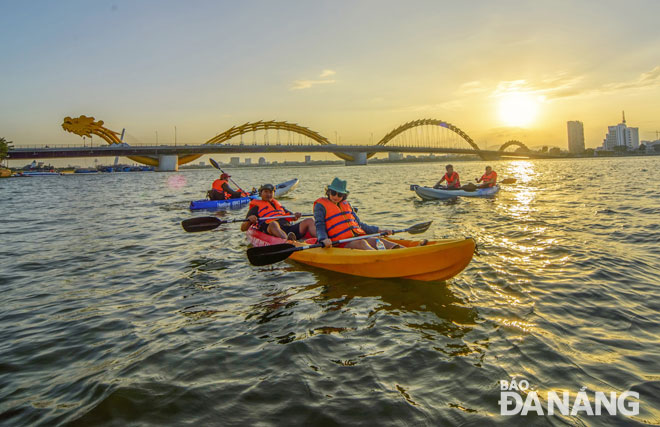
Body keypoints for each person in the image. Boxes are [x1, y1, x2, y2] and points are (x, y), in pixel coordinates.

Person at [314, 178, 403, 250]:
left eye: (340, 195)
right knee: (361, 243)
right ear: (328, 192)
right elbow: (319, 225)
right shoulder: (320, 206)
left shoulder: (346, 205)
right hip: (341, 242)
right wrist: (323, 239)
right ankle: (382, 259)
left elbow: (359, 225)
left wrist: (379, 230)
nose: (336, 197)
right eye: (333, 193)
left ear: (343, 196)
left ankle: (405, 252)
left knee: (378, 240)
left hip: (358, 236)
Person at [241, 183, 316, 241]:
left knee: (309, 221)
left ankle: (322, 239)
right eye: (266, 192)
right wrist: (249, 220)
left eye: (271, 192)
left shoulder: (278, 205)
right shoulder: (255, 207)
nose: (269, 194)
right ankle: (288, 241)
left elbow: (291, 216)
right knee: (274, 224)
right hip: (272, 230)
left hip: (288, 229)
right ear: (261, 193)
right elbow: (243, 228)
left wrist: (295, 215)